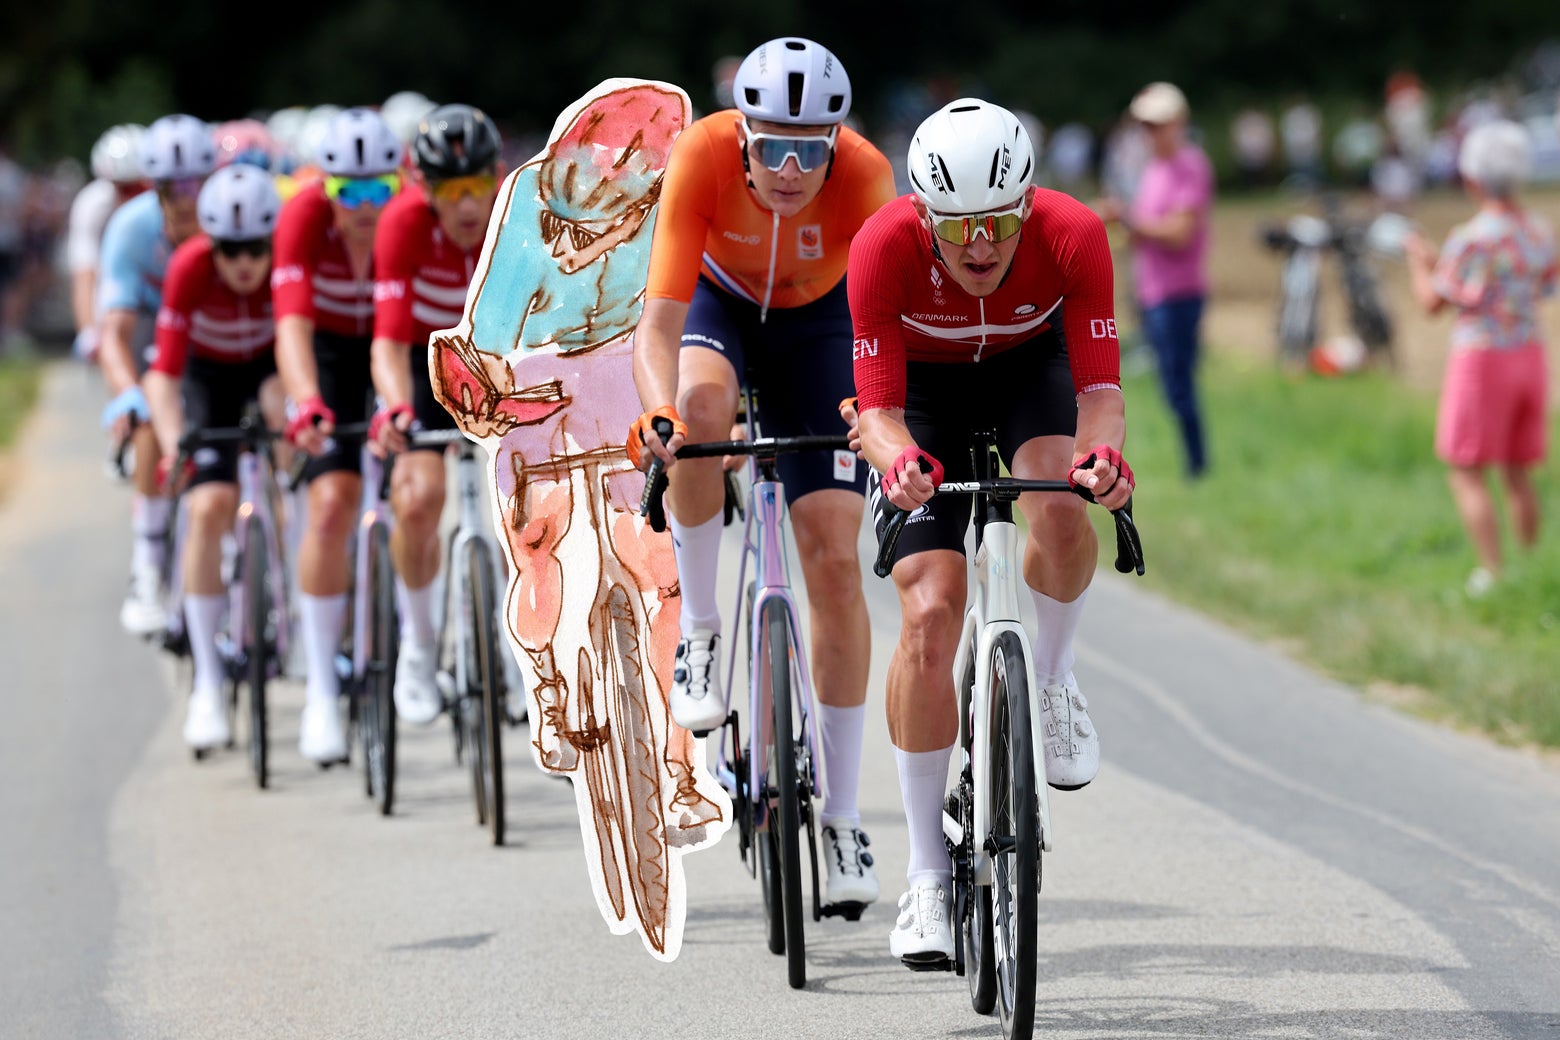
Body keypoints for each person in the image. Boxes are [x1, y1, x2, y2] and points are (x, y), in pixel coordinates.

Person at [848, 99, 1132, 967]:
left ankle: (1050, 677)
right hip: (922, 394)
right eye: (959, 224)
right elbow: (880, 411)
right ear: (924, 215)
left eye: (1002, 221)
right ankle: (926, 875)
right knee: (932, 611)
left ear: (1029, 203)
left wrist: (1104, 459)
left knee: (1056, 499)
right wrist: (896, 460)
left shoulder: (1074, 235)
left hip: (1025, 372)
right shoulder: (883, 247)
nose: (981, 244)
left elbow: (1099, 395)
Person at [629, 36, 896, 913]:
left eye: (809, 148)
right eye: (772, 143)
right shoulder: (699, 155)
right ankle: (701, 629)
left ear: (836, 142)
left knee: (832, 557)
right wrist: (657, 413)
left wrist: (878, 413)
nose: (789, 166)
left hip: (820, 328)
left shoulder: (865, 176)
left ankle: (847, 816)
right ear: (739, 134)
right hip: (720, 310)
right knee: (700, 419)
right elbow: (658, 327)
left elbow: (881, 329)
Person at [369, 103, 507, 724]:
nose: (468, 205)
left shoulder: (515, 216)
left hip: (497, 368)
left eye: (478, 186)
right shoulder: (400, 225)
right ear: (426, 191)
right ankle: (419, 650)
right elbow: (389, 340)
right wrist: (397, 408)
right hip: (426, 373)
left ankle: (522, 649)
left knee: (531, 506)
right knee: (418, 497)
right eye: (452, 191)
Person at [273, 107, 403, 762]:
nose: (363, 206)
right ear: (322, 189)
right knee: (330, 503)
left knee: (423, 486)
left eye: (378, 189)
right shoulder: (300, 219)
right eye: (346, 192)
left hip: (392, 350)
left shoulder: (406, 219)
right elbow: (291, 326)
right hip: (326, 355)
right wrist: (303, 405)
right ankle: (322, 686)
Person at [143, 164, 285, 749]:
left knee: (287, 438)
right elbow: (163, 375)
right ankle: (205, 679)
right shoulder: (189, 268)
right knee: (209, 506)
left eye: (256, 248)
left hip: (266, 371)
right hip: (207, 380)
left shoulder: (283, 271)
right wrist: (178, 438)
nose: (244, 263)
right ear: (210, 246)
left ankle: (289, 599)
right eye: (230, 250)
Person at [1405, 120, 1554, 598]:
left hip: (1482, 360)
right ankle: (1532, 567)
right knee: (1518, 469)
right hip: (1529, 354)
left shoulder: (1471, 238)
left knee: (1467, 469)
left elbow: (1433, 303)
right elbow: (1543, 286)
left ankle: (1491, 572)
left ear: (1471, 179)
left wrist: (1418, 262)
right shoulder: (1538, 230)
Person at [96, 114, 217, 635]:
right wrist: (126, 394)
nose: (188, 198)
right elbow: (113, 334)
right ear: (155, 188)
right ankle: (147, 566)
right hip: (152, 332)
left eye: (197, 184)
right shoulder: (131, 228)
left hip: (212, 335)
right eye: (174, 187)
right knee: (149, 415)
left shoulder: (232, 218)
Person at [1094, 82, 1213, 479]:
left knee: (1178, 383)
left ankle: (1197, 464)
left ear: (1179, 123)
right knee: (1171, 382)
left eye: (1157, 124)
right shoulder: (1154, 170)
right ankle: (1194, 463)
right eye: (1144, 125)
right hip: (1154, 292)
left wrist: (1126, 217)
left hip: (1178, 293)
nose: (1150, 133)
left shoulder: (1189, 166)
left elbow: (1180, 234)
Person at [66, 124, 148, 363]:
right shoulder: (91, 206)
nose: (130, 196)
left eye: (138, 187)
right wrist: (88, 332)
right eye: (123, 188)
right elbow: (85, 273)